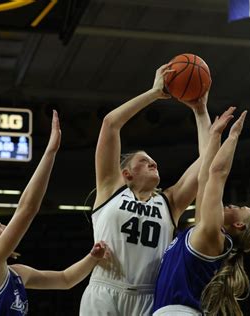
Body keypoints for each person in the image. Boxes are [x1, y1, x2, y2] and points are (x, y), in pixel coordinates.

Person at [79, 64, 212, 315]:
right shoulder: (110, 190)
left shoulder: (169, 202)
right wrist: (153, 93)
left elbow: (208, 162)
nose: (153, 162)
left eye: (153, 160)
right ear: (126, 173)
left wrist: (200, 110)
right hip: (104, 290)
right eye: (144, 160)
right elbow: (110, 124)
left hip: (149, 295)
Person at [0, 111, 108, 316]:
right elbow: (27, 209)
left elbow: (65, 280)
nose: (5, 227)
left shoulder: (16, 273)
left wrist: (93, 257)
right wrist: (50, 151)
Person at [153, 108, 250, 316]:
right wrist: (206, 121)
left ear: (239, 225)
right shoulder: (204, 233)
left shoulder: (213, 236)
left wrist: (233, 136)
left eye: (240, 209)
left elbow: (218, 173)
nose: (233, 205)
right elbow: (205, 177)